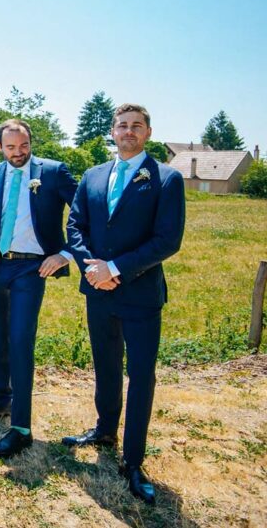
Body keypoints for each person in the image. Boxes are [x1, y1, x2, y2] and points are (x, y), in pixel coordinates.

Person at [63, 104, 185, 505]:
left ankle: (132, 460)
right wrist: (92, 268)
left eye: (136, 126)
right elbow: (75, 225)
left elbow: (168, 240)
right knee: (105, 366)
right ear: (112, 132)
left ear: (148, 132)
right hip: (98, 292)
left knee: (141, 376)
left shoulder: (167, 179)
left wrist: (115, 267)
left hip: (140, 294)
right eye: (122, 126)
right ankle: (103, 430)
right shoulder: (94, 176)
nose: (128, 131)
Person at [0, 119, 78, 458]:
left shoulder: (55, 172)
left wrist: (64, 254)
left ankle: (21, 428)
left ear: (31, 142)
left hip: (32, 267)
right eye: (11, 147)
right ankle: (1, 402)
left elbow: (84, 215)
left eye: (24, 145)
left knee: (20, 341)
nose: (19, 153)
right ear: (0, 147)